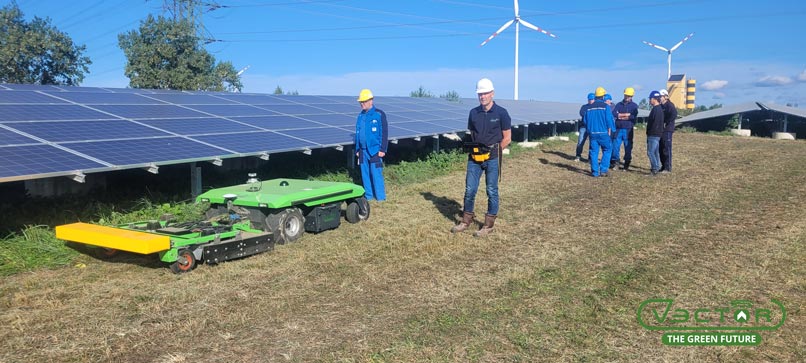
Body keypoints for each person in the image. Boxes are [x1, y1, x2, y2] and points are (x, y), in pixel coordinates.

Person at [451, 78, 511, 237]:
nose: (482, 96)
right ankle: (466, 220)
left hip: (492, 158)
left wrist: (495, 151)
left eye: (485, 93)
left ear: (492, 93)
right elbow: (471, 133)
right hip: (474, 158)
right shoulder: (473, 113)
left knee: (491, 190)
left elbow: (507, 138)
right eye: (480, 94)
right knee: (470, 189)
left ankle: (489, 224)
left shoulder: (501, 113)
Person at [354, 88, 388, 201]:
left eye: (363, 101)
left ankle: (380, 197)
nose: (361, 104)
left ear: (370, 101)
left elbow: (384, 132)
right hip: (363, 151)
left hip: (375, 150)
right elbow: (358, 133)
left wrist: (382, 149)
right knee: (365, 174)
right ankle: (368, 196)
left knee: (376, 174)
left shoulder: (379, 114)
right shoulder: (360, 116)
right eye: (360, 102)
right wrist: (357, 149)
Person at [580, 86, 615, 177]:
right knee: (607, 149)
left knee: (594, 152)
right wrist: (612, 129)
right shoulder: (606, 107)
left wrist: (589, 129)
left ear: (595, 96)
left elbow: (585, 120)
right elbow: (609, 119)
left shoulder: (589, 107)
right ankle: (603, 170)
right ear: (603, 96)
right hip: (603, 133)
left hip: (592, 134)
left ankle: (595, 172)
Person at [610, 87, 639, 171]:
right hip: (618, 128)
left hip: (628, 129)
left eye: (629, 96)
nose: (627, 97)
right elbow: (614, 114)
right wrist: (626, 115)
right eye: (626, 95)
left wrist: (621, 115)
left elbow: (633, 116)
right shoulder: (618, 104)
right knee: (615, 146)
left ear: (631, 96)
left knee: (628, 147)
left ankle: (626, 163)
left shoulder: (634, 106)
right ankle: (616, 162)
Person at [646, 91, 665, 175]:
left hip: (654, 134)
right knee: (655, 152)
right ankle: (657, 166)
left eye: (650, 99)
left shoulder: (656, 110)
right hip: (657, 134)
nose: (650, 100)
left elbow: (655, 123)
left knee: (650, 152)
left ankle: (655, 168)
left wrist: (650, 132)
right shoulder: (659, 109)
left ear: (654, 99)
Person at [658, 89, 678, 173]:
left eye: (661, 96)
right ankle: (663, 166)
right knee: (661, 148)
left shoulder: (670, 105)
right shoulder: (660, 106)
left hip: (667, 130)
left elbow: (674, 115)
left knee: (666, 148)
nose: (659, 98)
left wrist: (666, 122)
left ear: (665, 97)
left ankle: (667, 167)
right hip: (661, 130)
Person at [575, 93, 595, 162]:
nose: (590, 101)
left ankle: (590, 158)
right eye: (589, 99)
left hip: (592, 127)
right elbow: (582, 113)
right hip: (584, 127)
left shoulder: (595, 107)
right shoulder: (584, 106)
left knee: (592, 143)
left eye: (592, 99)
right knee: (580, 141)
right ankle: (578, 155)